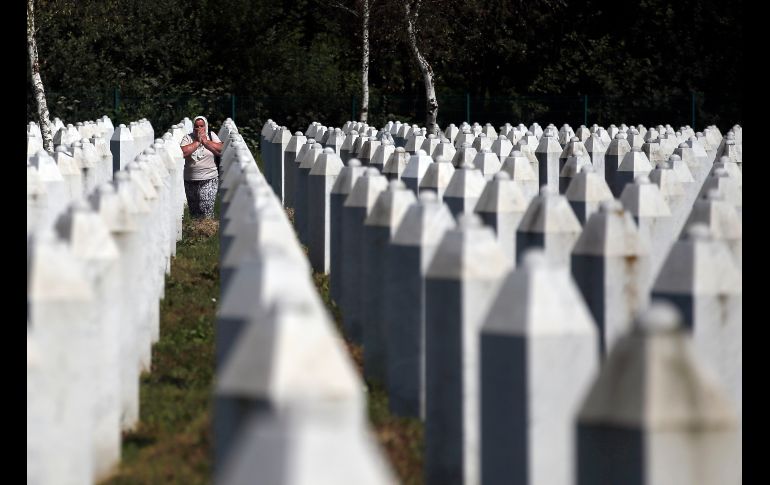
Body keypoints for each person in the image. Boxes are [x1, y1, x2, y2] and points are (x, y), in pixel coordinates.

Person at [180, 116, 223, 218]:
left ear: (205, 126)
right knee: (194, 211)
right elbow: (183, 152)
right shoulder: (188, 138)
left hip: (209, 178)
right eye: (196, 126)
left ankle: (207, 230)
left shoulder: (211, 135)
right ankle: (195, 232)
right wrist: (197, 142)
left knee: (206, 208)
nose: (199, 129)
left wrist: (205, 142)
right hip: (190, 180)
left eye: (201, 126)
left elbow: (221, 148)